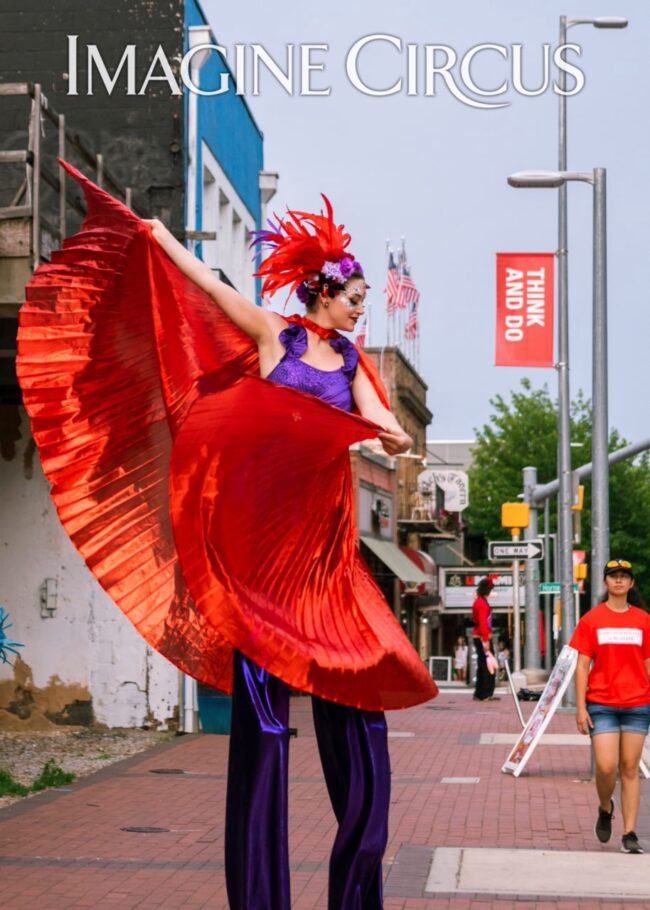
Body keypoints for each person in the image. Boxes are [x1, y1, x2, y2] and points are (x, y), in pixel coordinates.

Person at [17, 164, 437, 910]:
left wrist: (398, 438)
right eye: (355, 299)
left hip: (322, 557)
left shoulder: (349, 359)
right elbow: (209, 288)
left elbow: (380, 420)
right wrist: (154, 235)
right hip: (259, 551)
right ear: (324, 294)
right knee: (266, 732)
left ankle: (356, 891)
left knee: (365, 691)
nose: (360, 312)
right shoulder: (275, 335)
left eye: (366, 301)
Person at [571, 559, 650, 855]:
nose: (618, 581)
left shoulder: (644, 620)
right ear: (605, 583)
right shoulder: (591, 619)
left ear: (630, 584)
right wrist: (581, 707)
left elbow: (648, 663)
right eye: (613, 577)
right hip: (601, 704)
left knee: (630, 768)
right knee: (605, 767)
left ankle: (629, 833)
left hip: (637, 703)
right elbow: (582, 666)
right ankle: (606, 807)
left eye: (624, 577)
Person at [472, 577, 497, 700]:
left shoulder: (480, 601)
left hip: (480, 636)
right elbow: (483, 622)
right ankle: (485, 693)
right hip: (482, 637)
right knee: (488, 665)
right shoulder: (481, 603)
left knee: (483, 664)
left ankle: (480, 692)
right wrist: (486, 640)